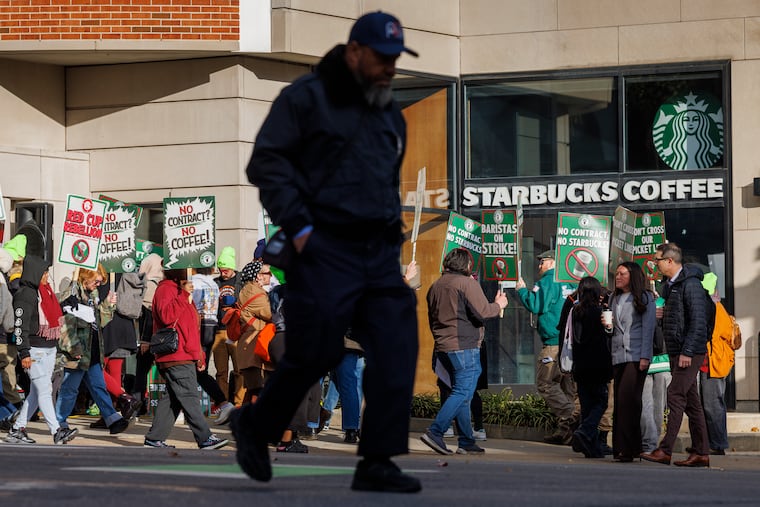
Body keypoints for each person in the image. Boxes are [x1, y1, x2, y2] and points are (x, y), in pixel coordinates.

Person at [238, 11, 422, 493]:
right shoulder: (305, 98)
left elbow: (385, 181)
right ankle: (255, 428)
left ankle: (377, 461)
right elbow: (266, 163)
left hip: (378, 253)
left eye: (396, 59)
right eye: (383, 58)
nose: (390, 67)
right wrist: (298, 230)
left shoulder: (388, 111)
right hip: (323, 249)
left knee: (398, 340)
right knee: (315, 351)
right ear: (355, 52)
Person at [421, 248, 507, 456]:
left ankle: (467, 440)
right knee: (462, 391)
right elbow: (483, 312)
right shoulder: (467, 283)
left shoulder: (436, 285)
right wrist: (498, 304)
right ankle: (436, 431)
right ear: (467, 265)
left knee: (462, 393)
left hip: (444, 346)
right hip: (464, 346)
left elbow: (433, 318)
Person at [641, 243, 713, 467]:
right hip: (677, 351)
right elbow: (680, 318)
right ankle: (701, 453)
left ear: (670, 261)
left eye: (658, 260)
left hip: (688, 352)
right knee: (692, 404)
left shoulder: (690, 284)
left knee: (675, 395)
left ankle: (665, 450)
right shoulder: (670, 286)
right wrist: (664, 314)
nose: (656, 264)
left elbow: (698, 322)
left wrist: (688, 351)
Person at [143, 269, 228, 450]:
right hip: (176, 354)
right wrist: (183, 296)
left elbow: (190, 328)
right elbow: (166, 316)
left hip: (184, 354)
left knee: (173, 398)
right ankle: (204, 437)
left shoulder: (180, 291)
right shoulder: (166, 288)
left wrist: (199, 354)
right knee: (189, 396)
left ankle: (154, 438)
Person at [55, 266, 131, 436]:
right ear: (86, 276)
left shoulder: (92, 296)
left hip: (93, 349)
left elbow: (99, 322)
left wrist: (108, 306)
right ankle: (59, 422)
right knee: (70, 389)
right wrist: (74, 348)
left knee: (98, 386)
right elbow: (66, 324)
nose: (98, 284)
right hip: (79, 351)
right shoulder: (73, 294)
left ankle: (112, 419)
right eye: (96, 280)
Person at [6, 255, 73, 444]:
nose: (46, 276)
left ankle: (17, 430)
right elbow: (20, 326)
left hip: (48, 349)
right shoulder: (25, 294)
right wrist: (24, 352)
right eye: (44, 272)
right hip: (34, 351)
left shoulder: (42, 292)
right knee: (44, 389)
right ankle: (57, 431)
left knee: (37, 393)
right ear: (35, 273)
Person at [515, 250, 577, 445]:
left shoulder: (548, 281)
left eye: (541, 262)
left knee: (546, 383)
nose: (539, 266)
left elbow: (536, 305)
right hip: (570, 344)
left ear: (551, 263)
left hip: (552, 343)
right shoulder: (571, 282)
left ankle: (571, 416)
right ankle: (568, 433)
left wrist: (522, 290)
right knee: (568, 388)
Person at [608, 262, 655, 462]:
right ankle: (628, 447)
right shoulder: (614, 298)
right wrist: (607, 327)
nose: (617, 277)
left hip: (636, 355)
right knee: (621, 401)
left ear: (632, 276)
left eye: (622, 273)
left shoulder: (644, 297)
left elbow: (648, 328)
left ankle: (627, 449)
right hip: (617, 355)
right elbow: (612, 329)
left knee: (628, 401)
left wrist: (645, 356)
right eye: (616, 273)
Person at [561, 277, 612, 459]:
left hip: (580, 365)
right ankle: (584, 431)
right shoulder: (599, 312)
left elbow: (565, 335)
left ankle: (592, 448)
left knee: (587, 405)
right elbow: (606, 337)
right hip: (597, 365)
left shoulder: (574, 311)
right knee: (601, 402)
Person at [191, 266, 235, 425]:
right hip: (211, 325)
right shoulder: (213, 284)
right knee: (197, 370)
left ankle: (223, 403)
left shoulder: (194, 282)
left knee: (194, 370)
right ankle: (223, 403)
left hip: (199, 326)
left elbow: (192, 307)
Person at [698, 272, 735, 455]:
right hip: (712, 362)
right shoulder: (717, 307)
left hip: (712, 362)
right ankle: (708, 443)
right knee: (707, 405)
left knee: (712, 405)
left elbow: (713, 337)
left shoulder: (713, 309)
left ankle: (717, 444)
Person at [130, 253, 163, 412]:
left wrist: (145, 340)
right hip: (162, 337)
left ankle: (138, 404)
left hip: (150, 337)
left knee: (141, 370)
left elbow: (149, 315)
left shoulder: (149, 285)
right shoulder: (163, 284)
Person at [213, 246, 244, 406]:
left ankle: (239, 404)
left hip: (236, 331)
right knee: (221, 372)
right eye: (220, 269)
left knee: (240, 370)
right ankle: (222, 404)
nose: (222, 272)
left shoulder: (241, 281)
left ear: (231, 267)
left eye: (225, 270)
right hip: (219, 331)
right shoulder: (215, 282)